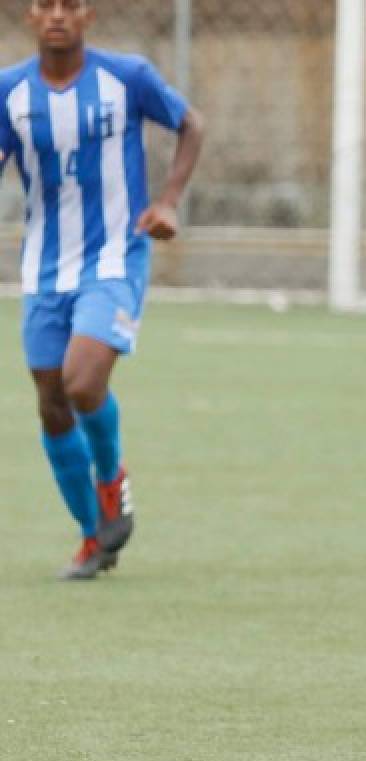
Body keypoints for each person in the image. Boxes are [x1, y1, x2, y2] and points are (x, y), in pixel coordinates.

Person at [0, 0, 205, 579]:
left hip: (115, 257)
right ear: (30, 17)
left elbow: (192, 123)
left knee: (82, 379)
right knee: (51, 403)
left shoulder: (128, 77)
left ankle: (111, 478)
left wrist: (167, 201)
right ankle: (95, 537)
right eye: (46, 5)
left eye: (71, 5)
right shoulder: (9, 92)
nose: (58, 15)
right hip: (44, 267)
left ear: (89, 15)